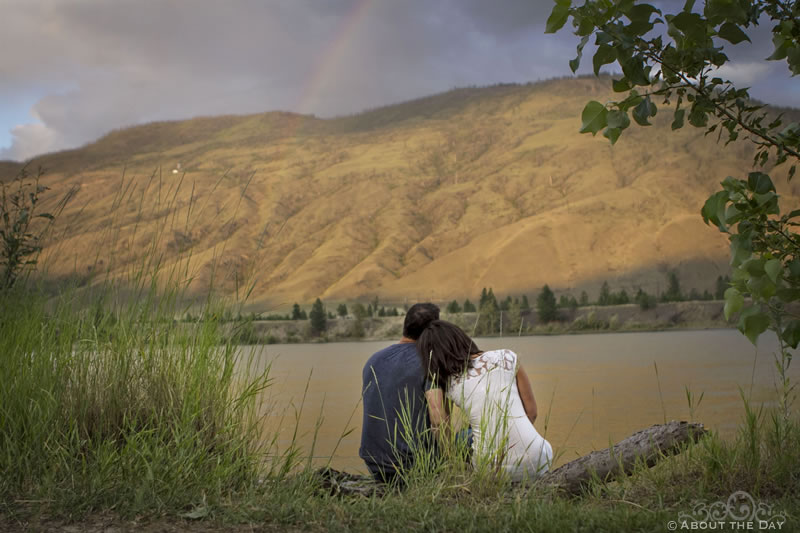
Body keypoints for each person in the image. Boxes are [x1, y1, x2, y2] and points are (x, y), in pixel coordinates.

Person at [417, 320, 552, 482]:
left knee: (462, 437)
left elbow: (440, 422)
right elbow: (532, 412)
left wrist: (449, 460)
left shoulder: (447, 382)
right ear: (462, 338)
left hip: (488, 470)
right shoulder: (508, 356)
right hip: (540, 460)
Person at [359, 303, 440, 483]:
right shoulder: (428, 362)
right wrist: (449, 459)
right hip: (413, 463)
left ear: (405, 325)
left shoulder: (374, 359)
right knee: (467, 438)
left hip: (374, 462)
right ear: (433, 331)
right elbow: (438, 418)